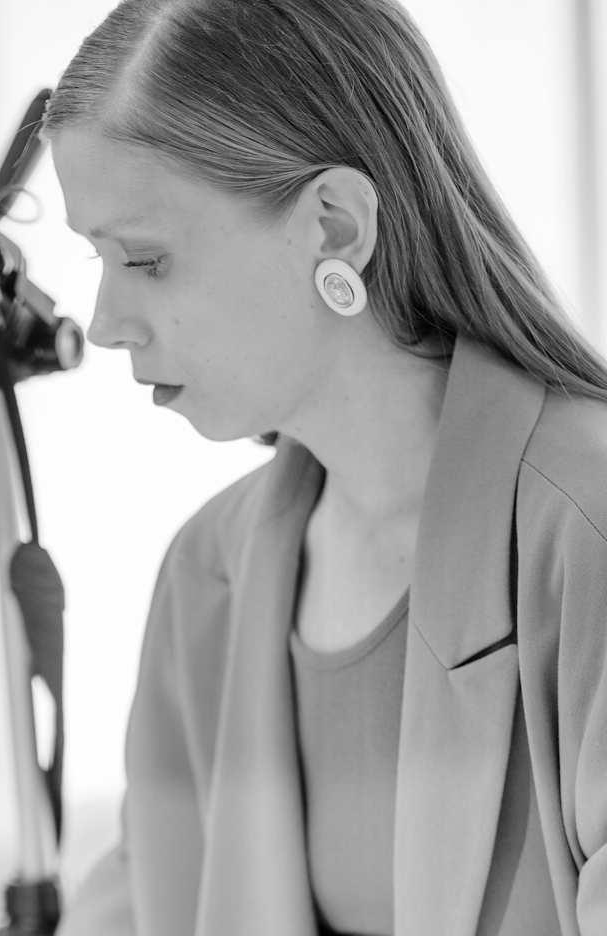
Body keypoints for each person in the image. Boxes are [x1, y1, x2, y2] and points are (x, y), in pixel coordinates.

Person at [43, 1, 607, 934]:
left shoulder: (584, 537)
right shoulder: (208, 573)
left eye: (145, 257)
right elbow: (141, 901)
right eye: (96, 258)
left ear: (336, 228)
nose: (105, 322)